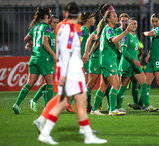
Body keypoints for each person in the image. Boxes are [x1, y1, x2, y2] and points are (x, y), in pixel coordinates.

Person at [37, 2, 107, 144]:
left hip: (66, 69)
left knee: (74, 101)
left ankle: (85, 134)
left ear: (65, 14)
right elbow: (68, 51)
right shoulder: (71, 30)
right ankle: (47, 130)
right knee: (68, 102)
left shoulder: (61, 27)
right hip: (71, 71)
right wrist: (64, 75)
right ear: (79, 15)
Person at [12, 7, 55, 115]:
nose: (50, 15)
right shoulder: (47, 27)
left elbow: (26, 39)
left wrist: (30, 44)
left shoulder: (35, 27)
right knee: (49, 83)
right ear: (45, 16)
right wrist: (54, 54)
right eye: (49, 14)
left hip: (34, 58)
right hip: (43, 58)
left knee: (29, 83)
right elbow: (45, 43)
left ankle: (17, 104)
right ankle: (49, 109)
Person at [117, 17, 158, 112]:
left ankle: (147, 105)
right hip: (126, 64)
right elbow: (123, 50)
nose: (134, 25)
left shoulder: (135, 36)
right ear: (128, 25)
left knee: (144, 83)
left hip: (135, 65)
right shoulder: (126, 35)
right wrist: (133, 60)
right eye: (131, 23)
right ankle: (118, 106)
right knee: (123, 87)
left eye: (135, 23)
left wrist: (136, 59)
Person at [82, 4, 115, 115]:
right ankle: (85, 104)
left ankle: (100, 106)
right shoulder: (104, 26)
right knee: (91, 83)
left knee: (105, 84)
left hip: (105, 57)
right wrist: (88, 53)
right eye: (112, 10)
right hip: (97, 58)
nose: (114, 12)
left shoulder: (109, 26)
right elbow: (92, 39)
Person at [28, 15, 59, 112]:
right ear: (49, 22)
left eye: (57, 22)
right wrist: (28, 44)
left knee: (48, 83)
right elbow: (37, 40)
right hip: (46, 59)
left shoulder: (54, 31)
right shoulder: (47, 30)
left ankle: (35, 101)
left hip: (51, 59)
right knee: (49, 83)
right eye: (54, 22)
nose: (56, 24)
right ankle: (47, 106)